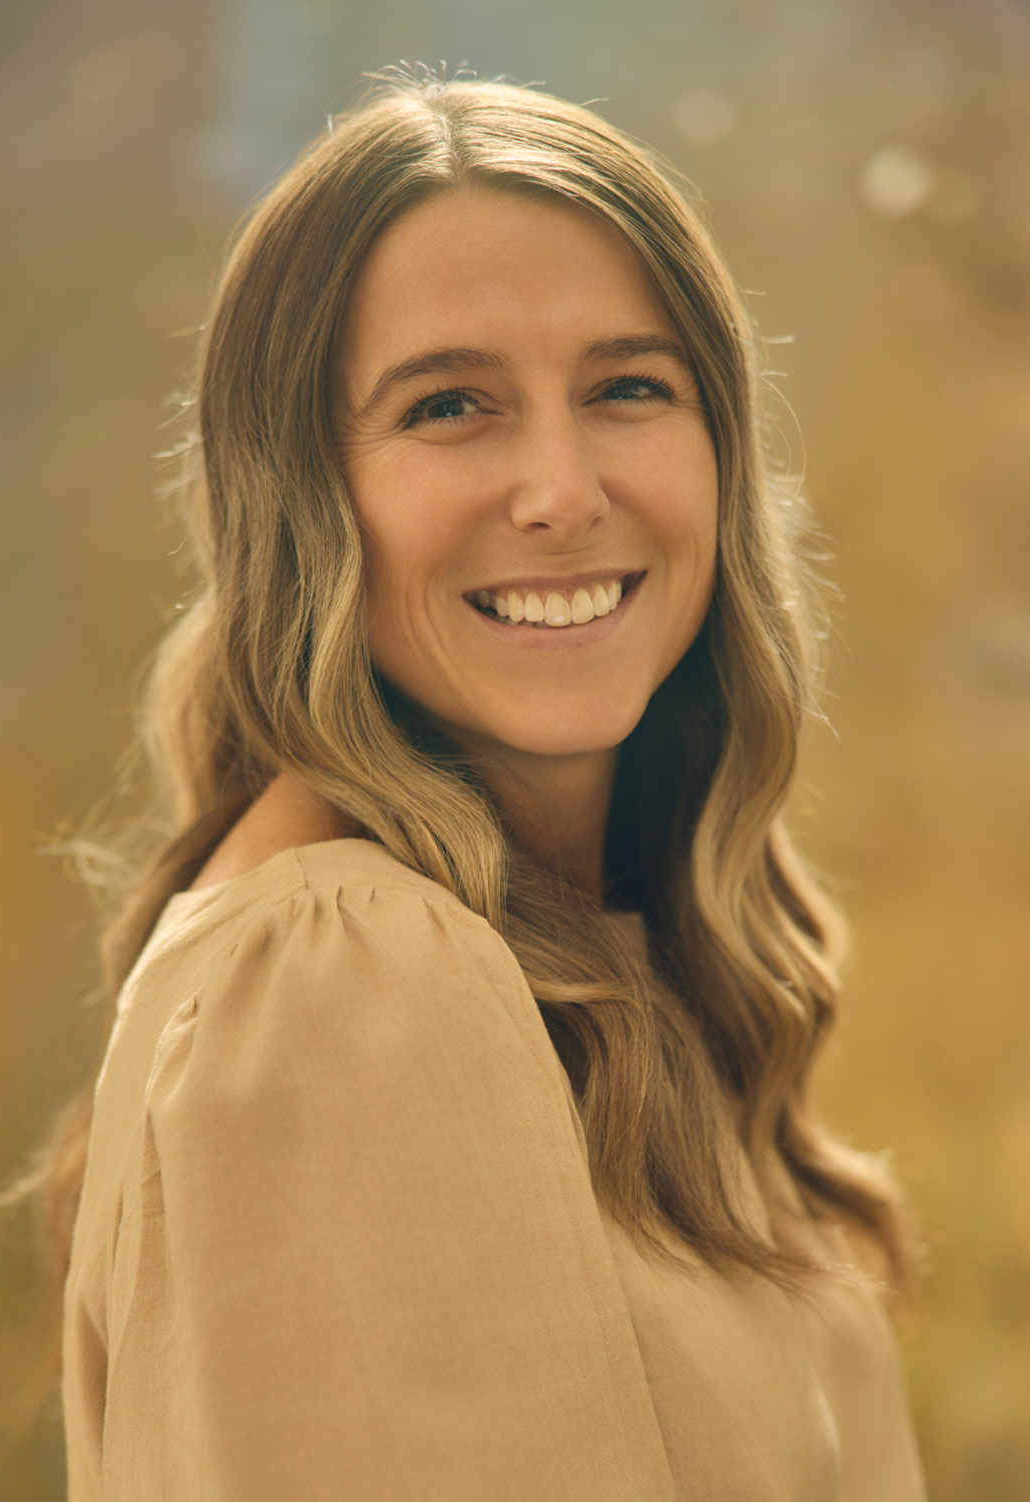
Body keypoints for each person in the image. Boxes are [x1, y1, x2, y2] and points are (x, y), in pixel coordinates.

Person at [53, 73, 926, 1500]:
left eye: (627, 388)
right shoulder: (347, 982)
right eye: (449, 405)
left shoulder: (605, 954)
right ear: (303, 498)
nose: (562, 491)